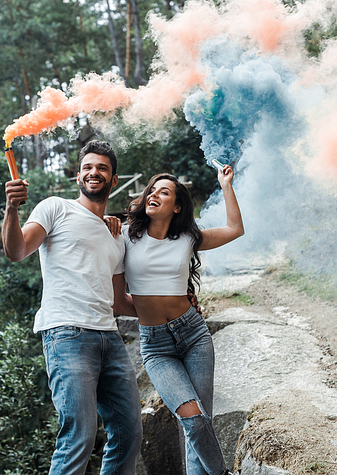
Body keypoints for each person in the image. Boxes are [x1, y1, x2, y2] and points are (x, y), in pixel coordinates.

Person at [2, 140, 142, 475]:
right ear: (78, 177)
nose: (94, 172)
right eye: (88, 167)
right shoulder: (55, 208)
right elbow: (16, 250)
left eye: (102, 168)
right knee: (79, 434)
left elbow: (120, 301)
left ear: (113, 177)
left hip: (110, 337)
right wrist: (11, 210)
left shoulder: (117, 235)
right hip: (67, 334)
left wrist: (175, 306)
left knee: (129, 434)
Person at [112, 165, 244, 475]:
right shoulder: (125, 238)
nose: (154, 193)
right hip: (156, 347)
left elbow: (235, 229)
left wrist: (225, 185)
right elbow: (118, 302)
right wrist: (150, 313)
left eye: (164, 191)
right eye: (152, 189)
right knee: (193, 420)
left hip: (194, 336)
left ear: (178, 206)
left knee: (200, 427)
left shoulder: (188, 237)